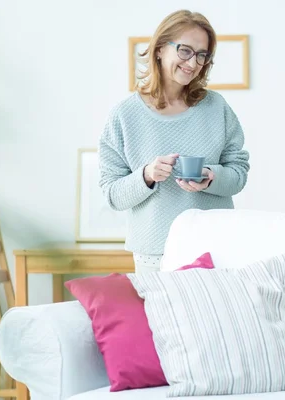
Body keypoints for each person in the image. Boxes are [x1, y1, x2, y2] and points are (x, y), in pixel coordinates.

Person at [98, 10, 250, 274]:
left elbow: (238, 174)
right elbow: (112, 195)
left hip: (216, 248)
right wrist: (146, 175)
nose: (193, 63)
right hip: (154, 255)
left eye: (202, 55)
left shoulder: (217, 108)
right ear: (159, 49)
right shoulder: (124, 116)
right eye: (185, 51)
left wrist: (210, 177)